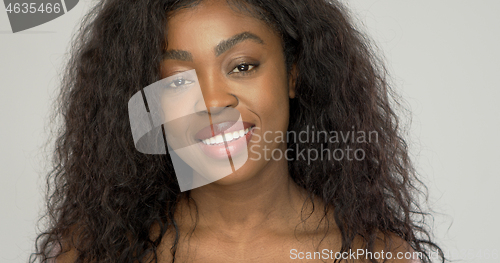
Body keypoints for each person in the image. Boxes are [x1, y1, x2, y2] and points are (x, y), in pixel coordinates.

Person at [30, 0, 445, 262]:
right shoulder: (94, 254)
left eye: (242, 66)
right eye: (177, 81)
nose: (212, 102)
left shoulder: (373, 255)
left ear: (293, 75)